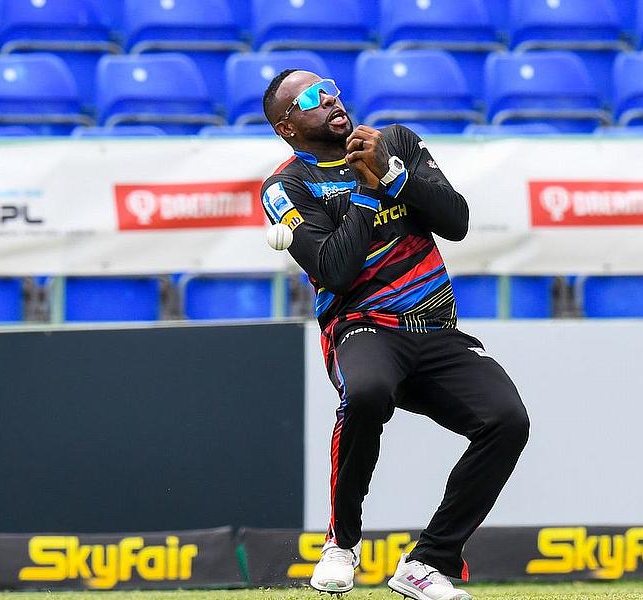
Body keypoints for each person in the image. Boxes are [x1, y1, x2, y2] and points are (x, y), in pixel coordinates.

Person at [260, 69, 529, 600]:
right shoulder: (286, 186)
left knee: (507, 421)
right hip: (361, 326)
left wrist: (394, 174)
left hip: (434, 327)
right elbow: (334, 272)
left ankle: (428, 562)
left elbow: (457, 221)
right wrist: (366, 193)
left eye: (331, 89)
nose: (332, 101)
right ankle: (341, 544)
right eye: (314, 98)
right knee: (365, 393)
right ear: (288, 127)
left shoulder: (397, 143)